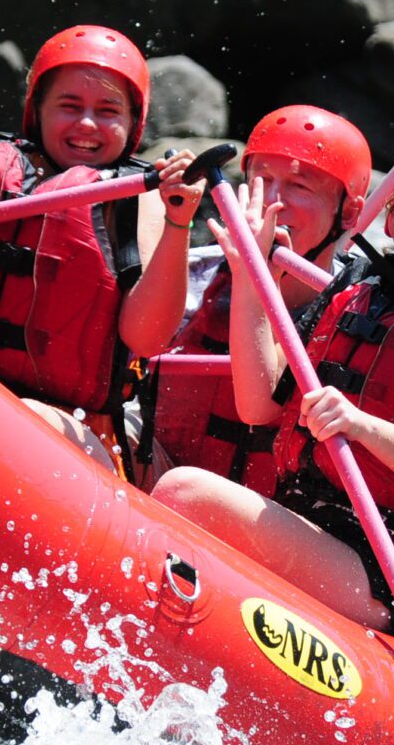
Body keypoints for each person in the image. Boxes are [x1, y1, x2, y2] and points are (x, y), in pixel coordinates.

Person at [151, 146, 394, 634]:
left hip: (387, 567)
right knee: (179, 486)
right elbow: (257, 404)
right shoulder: (358, 284)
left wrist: (362, 426)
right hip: (306, 524)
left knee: (186, 492)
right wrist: (251, 277)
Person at [0, 25, 195, 474]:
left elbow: (148, 338)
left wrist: (179, 222)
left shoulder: (142, 199)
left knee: (22, 424)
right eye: (69, 106)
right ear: (36, 110)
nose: (86, 125)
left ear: (134, 124)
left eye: (107, 111)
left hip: (77, 429)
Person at [136, 104, 371, 493]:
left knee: (186, 490)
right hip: (157, 475)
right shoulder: (199, 274)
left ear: (350, 213)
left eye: (300, 186)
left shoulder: (362, 317)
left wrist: (253, 277)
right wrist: (177, 222)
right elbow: (137, 345)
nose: (273, 203)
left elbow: (259, 408)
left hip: (259, 517)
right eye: (262, 180)